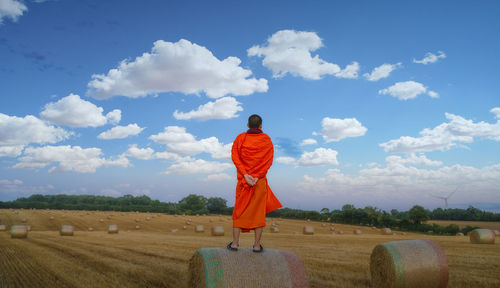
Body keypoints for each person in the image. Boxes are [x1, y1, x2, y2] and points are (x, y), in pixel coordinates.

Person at [228, 114, 282, 252]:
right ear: (261, 126)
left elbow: (235, 157)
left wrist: (245, 175)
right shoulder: (266, 140)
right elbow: (268, 161)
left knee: (239, 211)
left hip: (243, 181)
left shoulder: (240, 138)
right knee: (258, 213)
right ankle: (257, 246)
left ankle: (235, 244)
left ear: (247, 125)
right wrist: (257, 177)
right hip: (259, 182)